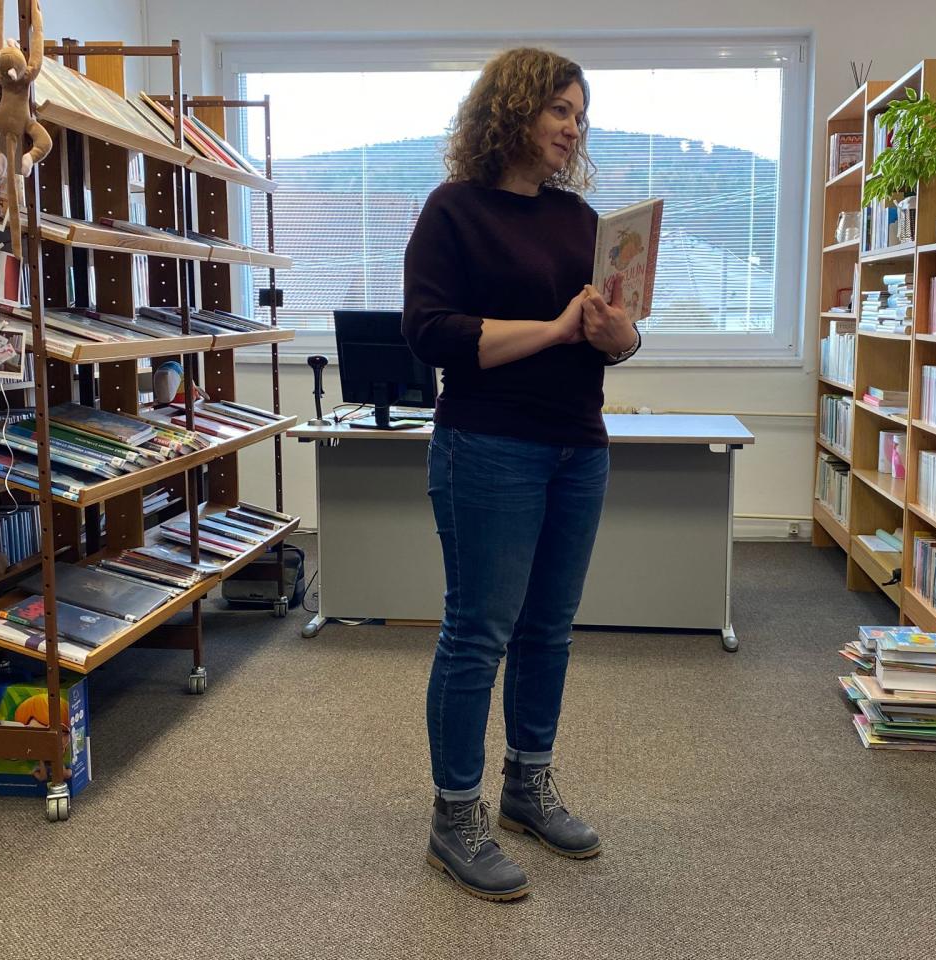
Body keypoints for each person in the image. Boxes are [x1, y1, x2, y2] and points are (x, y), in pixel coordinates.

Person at [402, 47, 641, 902]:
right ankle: (453, 816)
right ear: (512, 111)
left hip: (579, 443)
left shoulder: (581, 220)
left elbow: (618, 337)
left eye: (581, 114)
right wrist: (556, 329)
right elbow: (431, 334)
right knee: (479, 633)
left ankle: (526, 786)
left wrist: (617, 334)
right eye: (559, 110)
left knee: (550, 630)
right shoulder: (454, 210)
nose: (574, 128)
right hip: (487, 443)